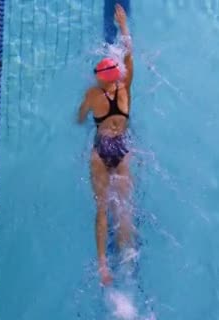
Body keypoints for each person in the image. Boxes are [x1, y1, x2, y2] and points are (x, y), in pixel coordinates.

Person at [77, 4, 134, 286]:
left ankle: (102, 266)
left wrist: (85, 111)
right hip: (122, 150)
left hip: (100, 152)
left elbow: (79, 118)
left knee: (102, 209)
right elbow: (129, 53)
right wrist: (123, 26)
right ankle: (127, 260)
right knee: (123, 208)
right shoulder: (125, 89)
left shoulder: (92, 94)